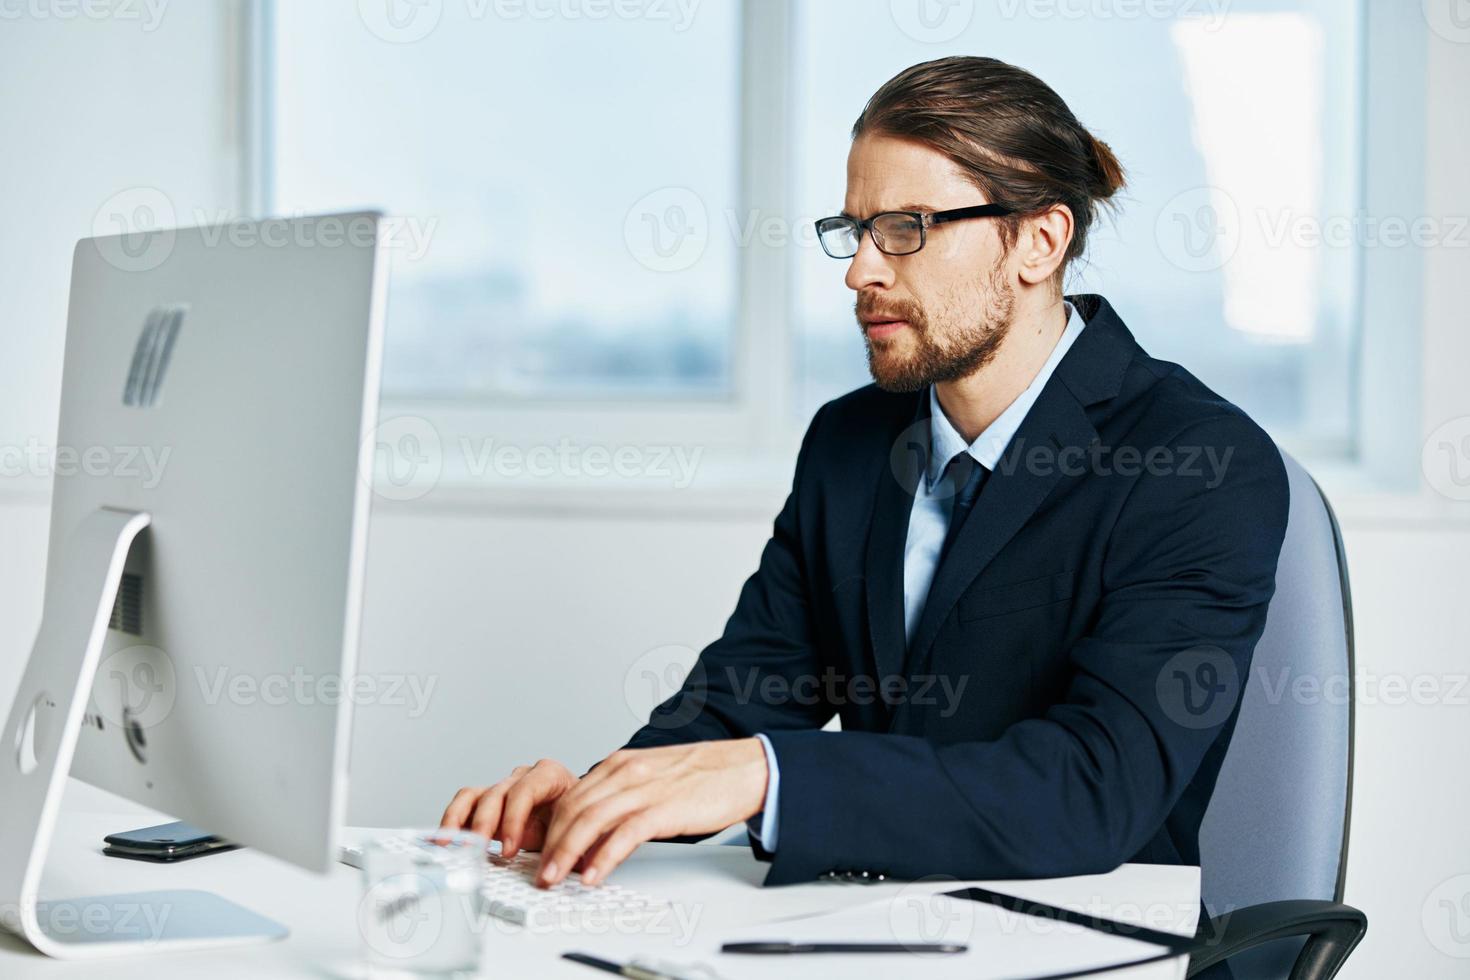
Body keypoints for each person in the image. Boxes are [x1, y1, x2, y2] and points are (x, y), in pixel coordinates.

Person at [440, 56, 1288, 912]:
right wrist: (602, 800)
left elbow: (1096, 790)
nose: (861, 272)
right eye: (856, 231)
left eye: (908, 228)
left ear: (1039, 240)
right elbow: (747, 699)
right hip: (880, 923)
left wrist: (770, 778)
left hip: (1089, 935)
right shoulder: (851, 442)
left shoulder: (1200, 465)